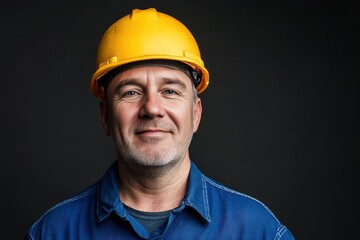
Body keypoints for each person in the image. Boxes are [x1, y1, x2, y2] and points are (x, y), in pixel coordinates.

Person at [25, 8, 295, 240]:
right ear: (106, 117)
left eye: (170, 91)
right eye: (131, 92)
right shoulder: (53, 232)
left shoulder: (257, 231)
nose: (152, 108)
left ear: (196, 114)